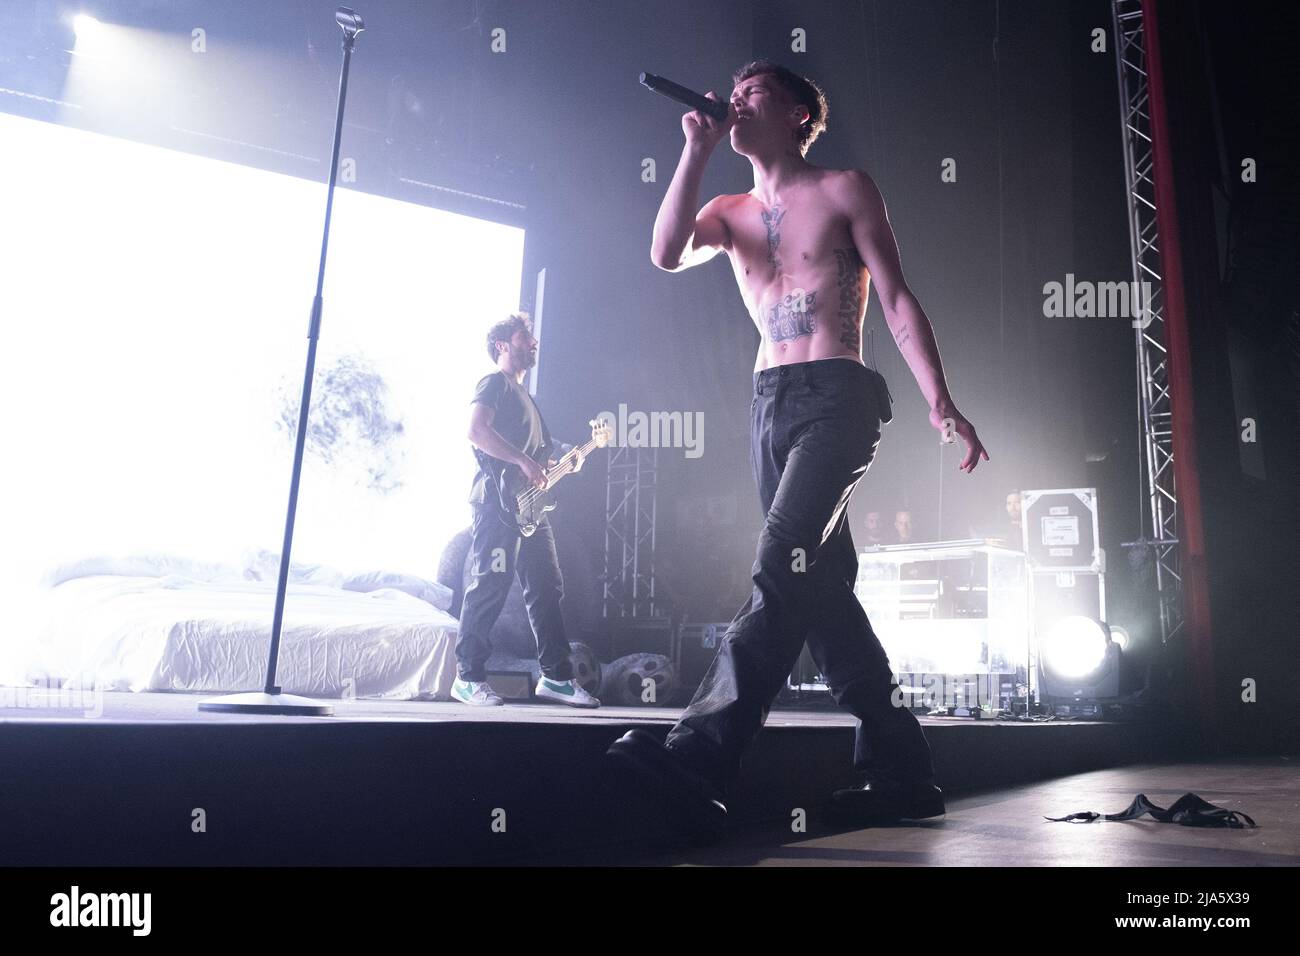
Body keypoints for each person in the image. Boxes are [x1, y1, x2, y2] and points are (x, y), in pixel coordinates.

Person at [607, 59, 988, 837]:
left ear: (797, 116)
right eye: (733, 95)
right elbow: (665, 250)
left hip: (838, 397)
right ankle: (902, 769)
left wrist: (939, 399)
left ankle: (700, 757)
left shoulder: (846, 186)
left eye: (754, 96)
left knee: (784, 566)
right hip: (768, 404)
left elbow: (896, 294)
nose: (736, 103)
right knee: (823, 596)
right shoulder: (728, 207)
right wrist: (695, 148)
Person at [453, 312, 599, 709]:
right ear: (502, 345)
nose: (532, 343)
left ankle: (555, 677)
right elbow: (476, 431)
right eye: (523, 337)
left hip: (530, 510)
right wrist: (522, 461)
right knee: (489, 584)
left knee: (547, 588)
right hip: (495, 505)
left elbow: (538, 466)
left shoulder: (528, 402)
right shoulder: (494, 383)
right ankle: (467, 677)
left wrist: (570, 460)